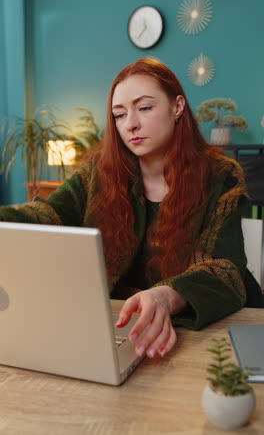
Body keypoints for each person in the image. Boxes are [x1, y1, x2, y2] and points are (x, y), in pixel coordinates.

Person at [0, 57, 262, 360]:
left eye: (145, 108)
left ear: (177, 107)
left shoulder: (221, 175)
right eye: (119, 114)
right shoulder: (100, 170)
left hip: (200, 330)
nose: (130, 124)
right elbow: (46, 216)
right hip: (121, 327)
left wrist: (169, 295)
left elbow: (223, 269)